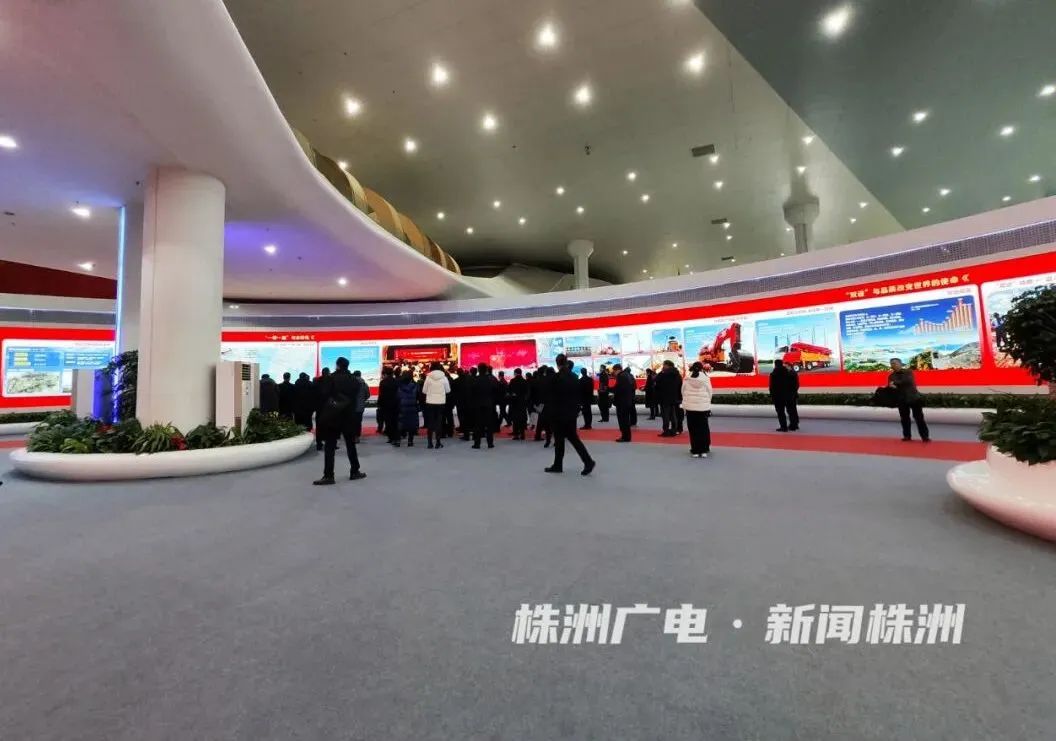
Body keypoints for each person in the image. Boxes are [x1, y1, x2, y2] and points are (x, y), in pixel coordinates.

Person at [313, 357, 366, 485]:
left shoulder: (330, 378)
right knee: (350, 444)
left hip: (333, 416)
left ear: (337, 365)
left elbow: (324, 395)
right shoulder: (354, 380)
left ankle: (328, 475)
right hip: (349, 416)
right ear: (347, 366)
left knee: (330, 446)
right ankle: (355, 471)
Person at [545, 355, 596, 475]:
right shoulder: (574, 377)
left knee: (560, 440)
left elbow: (552, 397)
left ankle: (559, 465)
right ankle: (587, 461)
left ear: (557, 363)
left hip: (559, 413)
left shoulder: (556, 377)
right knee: (573, 438)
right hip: (571, 413)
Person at [888, 358, 930, 442]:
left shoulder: (908, 372)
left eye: (894, 363)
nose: (893, 365)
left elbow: (907, 381)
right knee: (904, 418)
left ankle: (925, 436)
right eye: (891, 363)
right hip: (901, 399)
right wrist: (893, 385)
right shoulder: (891, 376)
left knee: (919, 418)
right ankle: (907, 436)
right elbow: (891, 386)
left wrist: (895, 383)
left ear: (900, 364)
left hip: (914, 398)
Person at [682, 362, 713, 458]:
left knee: (693, 429)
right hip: (703, 408)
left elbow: (682, 391)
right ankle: (704, 450)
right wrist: (707, 402)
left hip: (690, 408)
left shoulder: (687, 378)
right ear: (701, 368)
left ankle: (695, 450)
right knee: (703, 428)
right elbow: (710, 392)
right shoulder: (705, 378)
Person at [422, 361, 451, 449]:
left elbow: (424, 391)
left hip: (430, 402)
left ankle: (430, 443)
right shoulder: (444, 378)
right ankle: (438, 442)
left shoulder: (428, 377)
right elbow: (448, 390)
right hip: (440, 402)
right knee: (439, 422)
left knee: (430, 422)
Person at [471, 362, 498, 449]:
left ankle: (477, 443)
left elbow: (472, 392)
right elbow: (495, 391)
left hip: (478, 404)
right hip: (488, 404)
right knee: (489, 424)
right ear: (486, 370)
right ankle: (490, 443)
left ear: (478, 370)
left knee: (478, 424)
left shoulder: (475, 379)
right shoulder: (491, 379)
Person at [769, 359, 800, 432]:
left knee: (780, 412)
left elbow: (772, 387)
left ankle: (784, 427)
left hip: (778, 397)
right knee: (791, 411)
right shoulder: (789, 374)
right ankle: (793, 425)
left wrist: (772, 396)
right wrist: (792, 393)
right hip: (789, 396)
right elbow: (794, 385)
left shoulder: (773, 374)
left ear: (775, 365)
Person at [655, 360, 682, 437]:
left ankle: (666, 431)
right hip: (674, 397)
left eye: (663, 365)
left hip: (664, 397)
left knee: (665, 415)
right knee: (673, 414)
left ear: (667, 365)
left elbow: (656, 380)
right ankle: (674, 430)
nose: (663, 366)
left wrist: (661, 372)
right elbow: (680, 385)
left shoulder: (664, 374)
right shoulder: (677, 374)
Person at [612, 363, 636, 442]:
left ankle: (625, 437)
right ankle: (626, 436)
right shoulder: (627, 375)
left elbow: (618, 389)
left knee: (622, 420)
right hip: (627, 400)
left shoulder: (621, 376)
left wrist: (609, 389)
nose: (613, 373)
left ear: (617, 370)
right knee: (625, 420)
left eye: (614, 371)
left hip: (622, 402)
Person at [377, 366, 400, 445]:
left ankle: (391, 438)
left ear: (385, 373)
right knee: (395, 421)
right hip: (396, 403)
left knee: (388, 422)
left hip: (386, 404)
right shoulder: (396, 381)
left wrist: (379, 403)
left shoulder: (383, 382)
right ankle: (397, 438)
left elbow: (381, 395)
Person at [396, 370, 420, 446]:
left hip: (402, 406)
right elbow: (418, 396)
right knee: (411, 424)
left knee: (400, 423)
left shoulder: (399, 386)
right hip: (412, 406)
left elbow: (397, 397)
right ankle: (410, 441)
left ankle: (398, 441)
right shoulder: (415, 385)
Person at [534, 365, 554, 446]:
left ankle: (547, 440)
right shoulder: (554, 380)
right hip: (552, 404)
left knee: (544, 422)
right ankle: (556, 440)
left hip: (542, 404)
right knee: (553, 423)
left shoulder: (541, 380)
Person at [312, 367, 331, 450]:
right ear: (328, 373)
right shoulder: (331, 381)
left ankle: (319, 444)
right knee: (329, 426)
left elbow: (313, 395)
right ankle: (329, 444)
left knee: (319, 426)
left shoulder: (316, 381)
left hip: (319, 408)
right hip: (329, 408)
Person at [508, 367, 529, 440]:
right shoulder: (524, 381)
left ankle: (516, 434)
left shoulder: (512, 381)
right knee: (522, 418)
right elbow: (527, 392)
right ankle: (522, 434)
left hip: (515, 402)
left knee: (515, 419)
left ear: (515, 373)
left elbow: (509, 390)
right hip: (522, 402)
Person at [350, 370, 370, 443]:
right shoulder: (364, 384)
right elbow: (367, 395)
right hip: (360, 406)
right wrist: (362, 400)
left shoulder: (350, 383)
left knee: (351, 421)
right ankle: (357, 437)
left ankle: (351, 435)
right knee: (358, 422)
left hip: (351, 406)